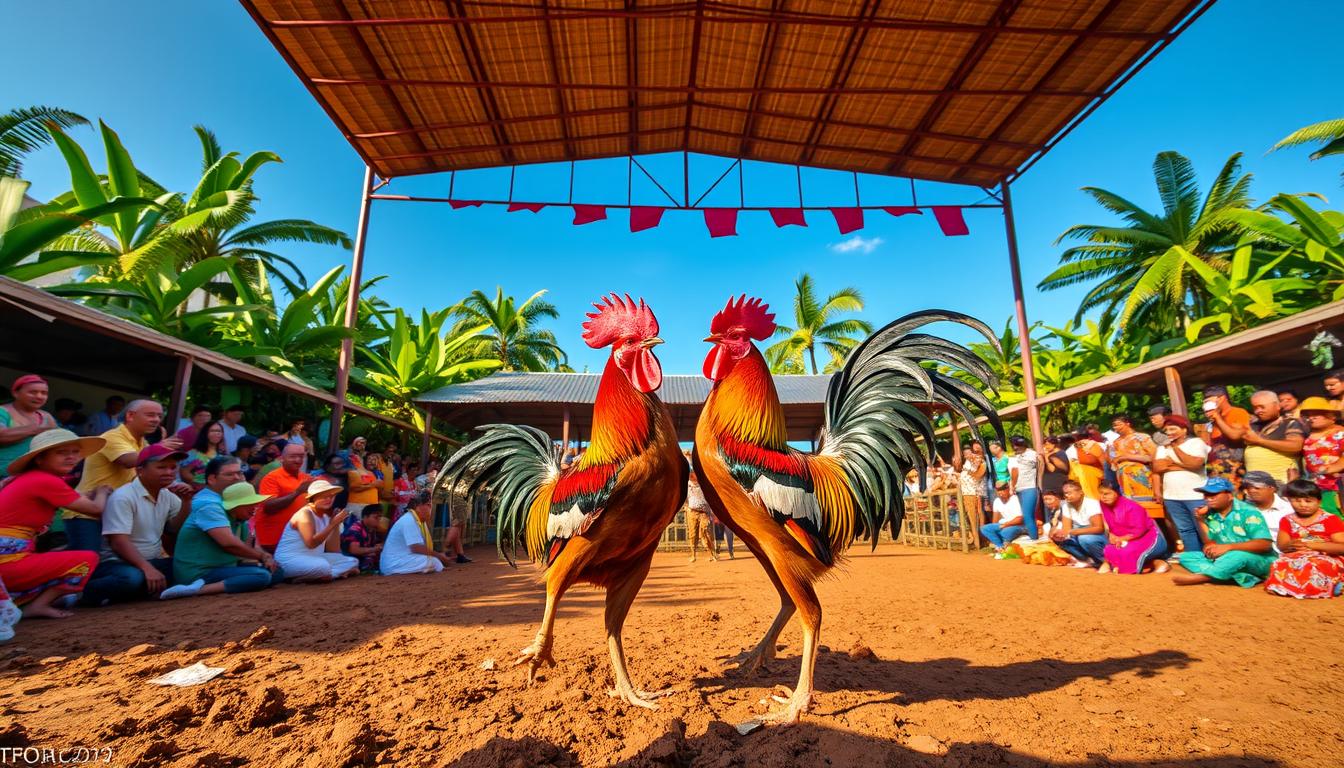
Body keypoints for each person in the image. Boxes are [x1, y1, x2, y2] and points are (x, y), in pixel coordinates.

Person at [0, 429, 108, 617]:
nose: (71, 457)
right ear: (40, 459)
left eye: (75, 452)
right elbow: (96, 509)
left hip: (10, 559)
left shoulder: (31, 478)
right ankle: (37, 606)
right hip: (8, 565)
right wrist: (102, 492)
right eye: (61, 452)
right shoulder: (46, 480)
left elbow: (72, 497)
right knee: (87, 559)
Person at [82, 445, 192, 605]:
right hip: (116, 563)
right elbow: (118, 542)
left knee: (189, 568)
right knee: (131, 578)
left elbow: (173, 529)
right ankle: (81, 593)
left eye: (173, 467)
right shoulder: (123, 497)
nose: (169, 472)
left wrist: (186, 502)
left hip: (150, 560)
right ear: (139, 470)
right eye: (161, 467)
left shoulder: (167, 494)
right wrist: (147, 569)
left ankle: (141, 590)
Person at [73, 399, 180, 552]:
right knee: (86, 565)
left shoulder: (143, 443)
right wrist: (158, 448)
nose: (156, 419)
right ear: (130, 416)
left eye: (159, 416)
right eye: (150, 415)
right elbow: (128, 461)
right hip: (87, 513)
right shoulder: (113, 436)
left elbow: (148, 473)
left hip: (113, 513)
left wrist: (175, 486)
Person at [169, 460, 282, 598]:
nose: (237, 478)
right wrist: (262, 556)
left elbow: (246, 544)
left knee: (275, 573)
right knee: (261, 576)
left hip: (223, 566)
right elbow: (229, 544)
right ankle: (194, 590)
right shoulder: (209, 504)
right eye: (229, 474)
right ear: (211, 479)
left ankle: (232, 581)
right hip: (201, 571)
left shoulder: (233, 505)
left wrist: (261, 558)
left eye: (240, 473)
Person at [1172, 477, 1276, 588]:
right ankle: (1234, 575)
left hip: (1258, 559)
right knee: (1187, 556)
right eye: (1206, 495)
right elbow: (1209, 542)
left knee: (1238, 555)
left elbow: (1265, 544)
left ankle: (1205, 576)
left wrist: (1229, 547)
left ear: (1230, 495)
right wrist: (1200, 520)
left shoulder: (1248, 512)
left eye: (1213, 494)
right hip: (1225, 558)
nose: (1208, 498)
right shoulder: (1210, 513)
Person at [1264, 480, 1344, 599]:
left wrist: (1313, 546)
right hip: (1297, 554)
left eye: (1308, 501)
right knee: (1279, 563)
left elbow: (1341, 547)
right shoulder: (1287, 520)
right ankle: (1288, 588)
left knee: (1313, 564)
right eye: (1297, 500)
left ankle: (1327, 586)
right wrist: (1292, 544)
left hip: (1327, 555)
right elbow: (1282, 546)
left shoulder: (1330, 519)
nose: (1303, 505)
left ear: (1319, 501)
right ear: (1289, 500)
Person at [273, 479, 357, 582]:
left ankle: (325, 576)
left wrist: (335, 525)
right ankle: (330, 574)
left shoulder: (326, 517)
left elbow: (333, 550)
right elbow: (311, 543)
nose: (328, 499)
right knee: (323, 567)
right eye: (323, 496)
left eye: (331, 496)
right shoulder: (305, 513)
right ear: (312, 498)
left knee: (352, 561)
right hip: (290, 561)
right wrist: (332, 524)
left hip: (313, 558)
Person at [1110, 414, 1173, 549]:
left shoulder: (1142, 437)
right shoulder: (1116, 442)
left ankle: (1166, 545)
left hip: (1142, 481)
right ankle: (1145, 545)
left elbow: (1153, 457)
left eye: (1118, 424)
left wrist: (1127, 456)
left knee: (1152, 513)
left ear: (1127, 423)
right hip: (1125, 483)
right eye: (1114, 425)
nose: (1116, 428)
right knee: (1135, 516)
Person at [1218, 390, 1305, 485]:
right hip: (1253, 483)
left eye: (1262, 407)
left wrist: (1259, 441)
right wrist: (1216, 417)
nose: (1258, 411)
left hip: (1280, 482)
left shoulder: (1290, 423)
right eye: (1255, 408)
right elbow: (1234, 436)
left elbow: (1295, 446)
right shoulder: (1253, 425)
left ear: (1277, 406)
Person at [1152, 414, 1210, 556]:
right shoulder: (1162, 447)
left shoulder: (1196, 443)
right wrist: (1185, 465)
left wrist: (1174, 450)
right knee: (1185, 529)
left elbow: (1195, 464)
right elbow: (1158, 467)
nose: (1169, 433)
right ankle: (1194, 557)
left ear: (1184, 429)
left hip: (1195, 494)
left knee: (1203, 527)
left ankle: (1212, 556)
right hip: (1171, 496)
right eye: (1167, 430)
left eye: (1173, 429)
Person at [1097, 481, 1168, 575]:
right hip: (1125, 539)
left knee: (1127, 551)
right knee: (1110, 549)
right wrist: (1111, 535)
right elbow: (1107, 524)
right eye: (1101, 494)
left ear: (1116, 493)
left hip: (1149, 538)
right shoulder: (1103, 505)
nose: (1103, 497)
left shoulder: (1132, 506)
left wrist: (1120, 538)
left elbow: (1139, 531)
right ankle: (1152, 564)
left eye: (1107, 493)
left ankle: (1159, 563)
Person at [256, 443, 313, 553]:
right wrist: (297, 493)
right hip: (274, 538)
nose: (298, 460)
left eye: (301, 456)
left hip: (297, 538)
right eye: (292, 456)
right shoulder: (272, 478)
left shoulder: (306, 477)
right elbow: (268, 507)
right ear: (282, 458)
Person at [380, 491, 453, 575]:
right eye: (428, 505)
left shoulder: (420, 521)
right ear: (417, 506)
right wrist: (439, 556)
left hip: (401, 559)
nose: (431, 508)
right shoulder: (409, 520)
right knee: (432, 561)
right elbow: (416, 548)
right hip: (393, 563)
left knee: (434, 561)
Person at [0, 374, 57, 480]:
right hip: (3, 475)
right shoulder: (2, 412)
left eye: (44, 393)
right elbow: (1, 436)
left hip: (31, 477)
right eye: (33, 392)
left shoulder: (46, 416)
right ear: (15, 393)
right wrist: (37, 430)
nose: (39, 396)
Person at [1299, 396, 1344, 518]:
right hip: (1315, 488)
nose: (1311, 418)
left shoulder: (1340, 434)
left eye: (1317, 414)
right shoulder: (1308, 436)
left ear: (1332, 417)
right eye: (1308, 415)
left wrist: (1333, 467)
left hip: (1336, 487)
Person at [1049, 480, 1107, 568]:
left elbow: (1099, 528)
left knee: (1085, 539)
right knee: (1062, 540)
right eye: (1065, 493)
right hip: (1079, 533)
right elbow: (1066, 529)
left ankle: (1105, 561)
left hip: (1099, 536)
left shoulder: (1091, 503)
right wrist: (1059, 534)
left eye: (1069, 493)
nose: (1067, 496)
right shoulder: (1066, 506)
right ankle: (1088, 560)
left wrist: (1074, 532)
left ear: (1080, 492)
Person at [1202, 385, 1250, 488]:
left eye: (1208, 401)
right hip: (1215, 473)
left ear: (1222, 398)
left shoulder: (1237, 412)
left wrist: (1217, 418)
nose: (1205, 405)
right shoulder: (1212, 421)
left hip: (1235, 474)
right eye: (1204, 403)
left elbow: (1235, 435)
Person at [1241, 471, 1294, 546]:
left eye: (1257, 488)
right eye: (1248, 488)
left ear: (1272, 488)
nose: (1252, 491)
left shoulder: (1290, 508)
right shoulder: (1242, 510)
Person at [685, 454, 717, 562]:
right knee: (692, 534)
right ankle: (693, 555)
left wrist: (690, 459)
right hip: (692, 511)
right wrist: (686, 506)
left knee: (706, 533)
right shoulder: (688, 484)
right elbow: (690, 469)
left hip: (704, 512)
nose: (692, 475)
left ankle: (712, 554)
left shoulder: (704, 484)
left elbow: (695, 469)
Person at [980, 482, 1024, 558]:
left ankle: (1003, 544)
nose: (1000, 493)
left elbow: (1020, 519)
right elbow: (995, 521)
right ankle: (1000, 546)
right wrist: (995, 530)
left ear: (1008, 489)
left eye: (1003, 490)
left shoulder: (1015, 499)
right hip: (1004, 525)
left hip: (1017, 525)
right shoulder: (997, 501)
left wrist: (1005, 525)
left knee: (1005, 532)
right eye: (998, 490)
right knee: (984, 528)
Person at [1008, 436, 1040, 539]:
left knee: (1028, 516)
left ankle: (1034, 539)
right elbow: (1013, 472)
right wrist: (1012, 486)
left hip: (1029, 488)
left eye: (1016, 445)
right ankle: (1032, 537)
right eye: (1013, 445)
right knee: (1026, 516)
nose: (1015, 447)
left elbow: (1040, 466)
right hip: (1018, 489)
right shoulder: (1013, 457)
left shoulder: (1032, 454)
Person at [955, 440, 987, 542]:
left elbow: (977, 474)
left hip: (974, 492)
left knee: (977, 516)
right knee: (972, 518)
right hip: (966, 492)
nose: (968, 455)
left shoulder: (980, 461)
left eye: (971, 452)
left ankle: (981, 539)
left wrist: (972, 459)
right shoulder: (968, 462)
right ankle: (977, 540)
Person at [180, 421, 228, 489]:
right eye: (212, 431)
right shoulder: (193, 453)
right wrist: (200, 486)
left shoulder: (222, 456)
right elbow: (185, 473)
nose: (216, 433)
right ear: (205, 433)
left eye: (219, 431)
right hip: (196, 492)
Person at [341, 505, 384, 572]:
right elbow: (354, 550)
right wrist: (375, 549)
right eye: (376, 517)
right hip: (349, 558)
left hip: (361, 556)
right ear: (365, 517)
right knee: (369, 560)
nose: (379, 519)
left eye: (380, 517)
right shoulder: (355, 530)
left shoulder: (373, 528)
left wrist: (379, 546)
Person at [1068, 426, 1106, 499]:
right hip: (1083, 480)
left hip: (1095, 479)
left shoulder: (1097, 445)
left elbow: (1104, 463)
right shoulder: (1072, 449)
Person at [345, 452, 380, 523]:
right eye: (353, 457)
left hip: (371, 506)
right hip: (358, 506)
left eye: (357, 457)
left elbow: (377, 487)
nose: (356, 458)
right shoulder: (352, 471)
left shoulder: (371, 473)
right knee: (356, 529)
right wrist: (372, 485)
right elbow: (354, 488)